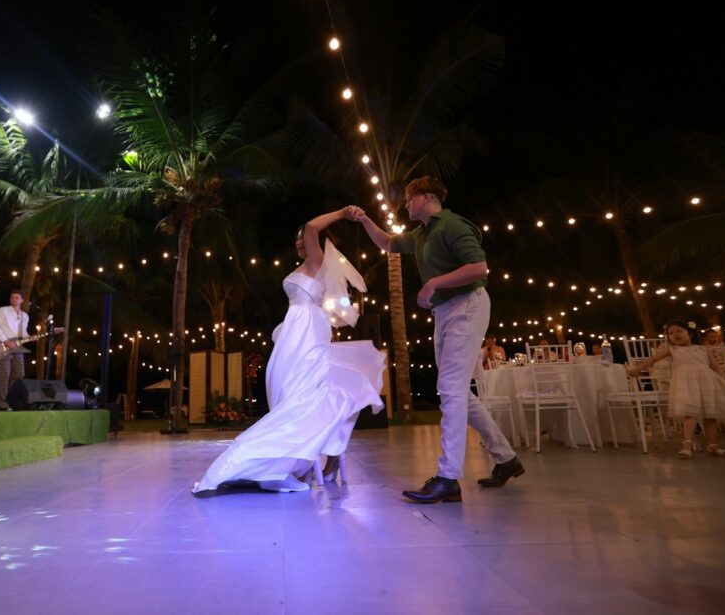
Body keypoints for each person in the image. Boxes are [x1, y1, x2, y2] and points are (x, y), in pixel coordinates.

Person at [352, 177, 522, 504]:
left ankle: (448, 478)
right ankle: (507, 459)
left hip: (468, 305)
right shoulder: (421, 234)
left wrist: (433, 284)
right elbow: (387, 243)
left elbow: (479, 267)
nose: (405, 204)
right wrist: (363, 220)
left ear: (426, 197)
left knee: (452, 388)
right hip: (446, 312)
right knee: (453, 389)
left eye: (409, 199)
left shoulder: (452, 225)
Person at [193, 208, 384, 496]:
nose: (299, 241)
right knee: (287, 393)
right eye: (296, 239)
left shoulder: (318, 261)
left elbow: (310, 225)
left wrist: (344, 213)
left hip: (308, 330)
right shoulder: (304, 267)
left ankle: (284, 465)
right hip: (293, 332)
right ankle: (293, 461)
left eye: (302, 238)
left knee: (305, 395)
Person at [627, 319, 725, 458]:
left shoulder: (703, 349)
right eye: (671, 333)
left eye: (679, 331)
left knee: (710, 415)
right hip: (686, 385)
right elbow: (653, 359)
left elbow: (715, 367)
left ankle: (713, 445)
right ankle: (687, 445)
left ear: (690, 333)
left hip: (707, 383)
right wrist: (638, 369)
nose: (675, 335)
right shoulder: (673, 349)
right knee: (689, 413)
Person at [0, 290, 29, 410]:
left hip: (18, 345)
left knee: (19, 374)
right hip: (5, 344)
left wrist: (31, 337)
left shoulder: (25, 315)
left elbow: (23, 333)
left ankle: (12, 401)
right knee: (4, 373)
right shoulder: (3, 310)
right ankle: (2, 403)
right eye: (12, 297)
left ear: (22, 300)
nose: (14, 300)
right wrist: (5, 340)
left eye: (17, 298)